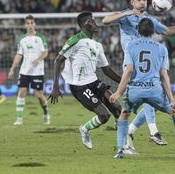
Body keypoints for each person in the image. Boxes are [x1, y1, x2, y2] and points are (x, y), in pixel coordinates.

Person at [102, 0, 175, 154]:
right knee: (149, 94)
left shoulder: (149, 21)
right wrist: (125, 14)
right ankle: (153, 132)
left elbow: (169, 31)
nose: (143, 2)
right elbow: (106, 20)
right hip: (132, 63)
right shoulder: (125, 16)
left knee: (143, 103)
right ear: (132, 2)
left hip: (146, 60)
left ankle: (129, 136)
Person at [49, 11, 121, 149]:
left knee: (118, 108)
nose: (94, 22)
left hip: (94, 81)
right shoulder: (75, 40)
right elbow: (58, 60)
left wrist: (124, 82)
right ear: (83, 25)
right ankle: (85, 129)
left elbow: (106, 69)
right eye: (90, 21)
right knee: (104, 116)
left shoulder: (97, 45)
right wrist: (55, 86)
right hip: (80, 86)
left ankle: (123, 144)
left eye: (94, 20)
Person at [8, 14, 50, 126]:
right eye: (28, 23)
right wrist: (12, 69)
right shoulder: (22, 39)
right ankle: (19, 119)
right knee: (21, 92)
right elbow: (18, 55)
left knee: (39, 95)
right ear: (25, 25)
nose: (30, 25)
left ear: (34, 24)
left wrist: (38, 59)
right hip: (25, 70)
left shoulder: (41, 38)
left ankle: (46, 113)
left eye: (32, 23)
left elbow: (45, 52)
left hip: (37, 71)